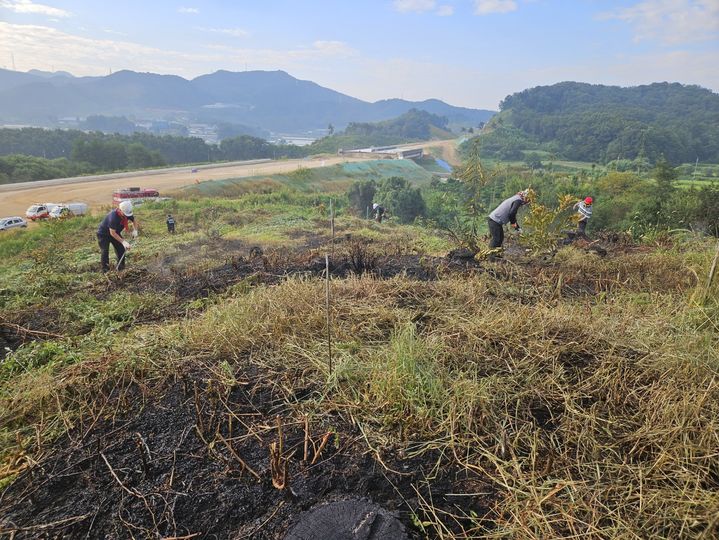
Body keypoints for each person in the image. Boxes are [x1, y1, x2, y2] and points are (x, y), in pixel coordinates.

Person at [97, 200, 138, 272]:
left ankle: (121, 268)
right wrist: (123, 242)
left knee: (121, 249)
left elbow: (134, 221)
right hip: (103, 234)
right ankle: (105, 270)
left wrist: (135, 230)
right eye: (125, 214)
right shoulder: (113, 217)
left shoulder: (127, 213)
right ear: (120, 210)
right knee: (105, 251)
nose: (126, 216)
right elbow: (112, 233)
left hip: (116, 232)